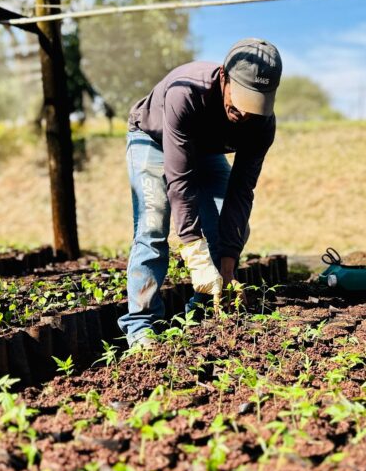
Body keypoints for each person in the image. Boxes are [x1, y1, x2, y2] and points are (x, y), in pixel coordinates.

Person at [118, 38, 282, 349]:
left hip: (206, 150)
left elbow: (241, 191)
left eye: (256, 104)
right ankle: (140, 325)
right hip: (154, 138)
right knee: (152, 225)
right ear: (224, 78)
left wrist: (228, 265)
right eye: (240, 100)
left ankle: (205, 311)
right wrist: (194, 255)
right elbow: (180, 184)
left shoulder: (263, 125)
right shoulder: (187, 92)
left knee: (226, 226)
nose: (246, 115)